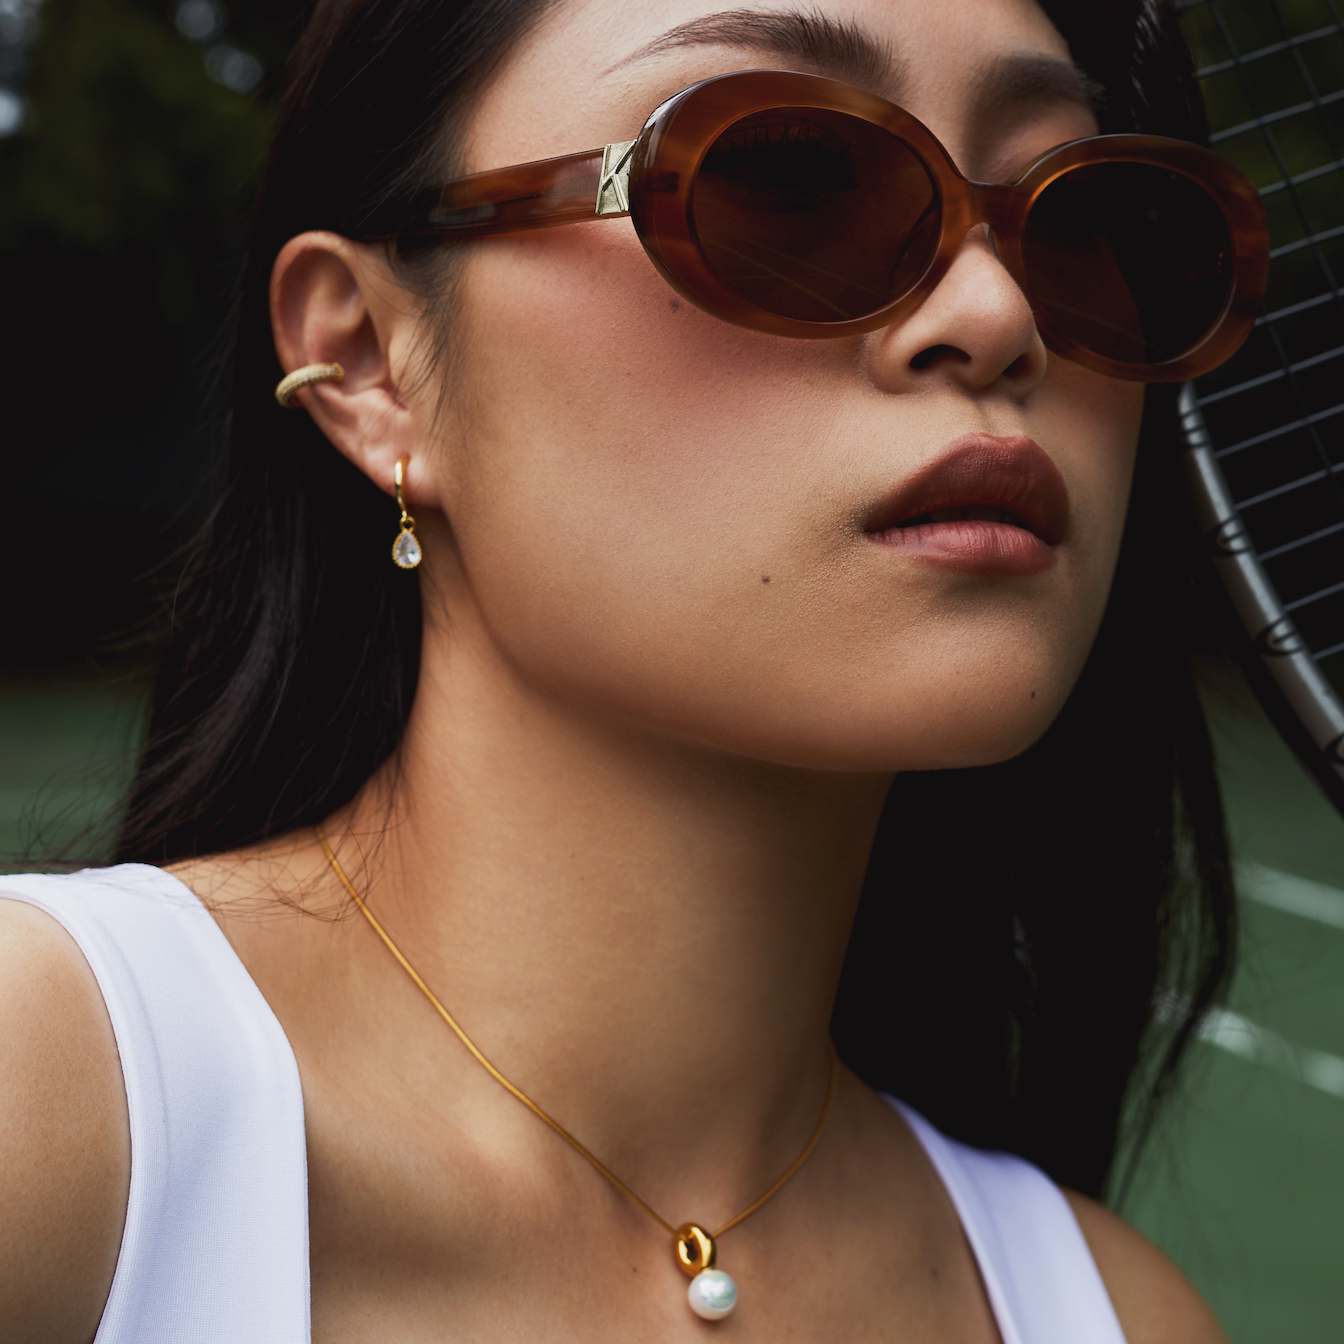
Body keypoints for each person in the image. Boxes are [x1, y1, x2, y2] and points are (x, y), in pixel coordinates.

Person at [0, 0, 1263, 1339]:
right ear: (372, 362)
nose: (1000, 314)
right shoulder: (44, 1106)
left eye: (1080, 219)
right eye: (783, 175)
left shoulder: (1120, 1315)